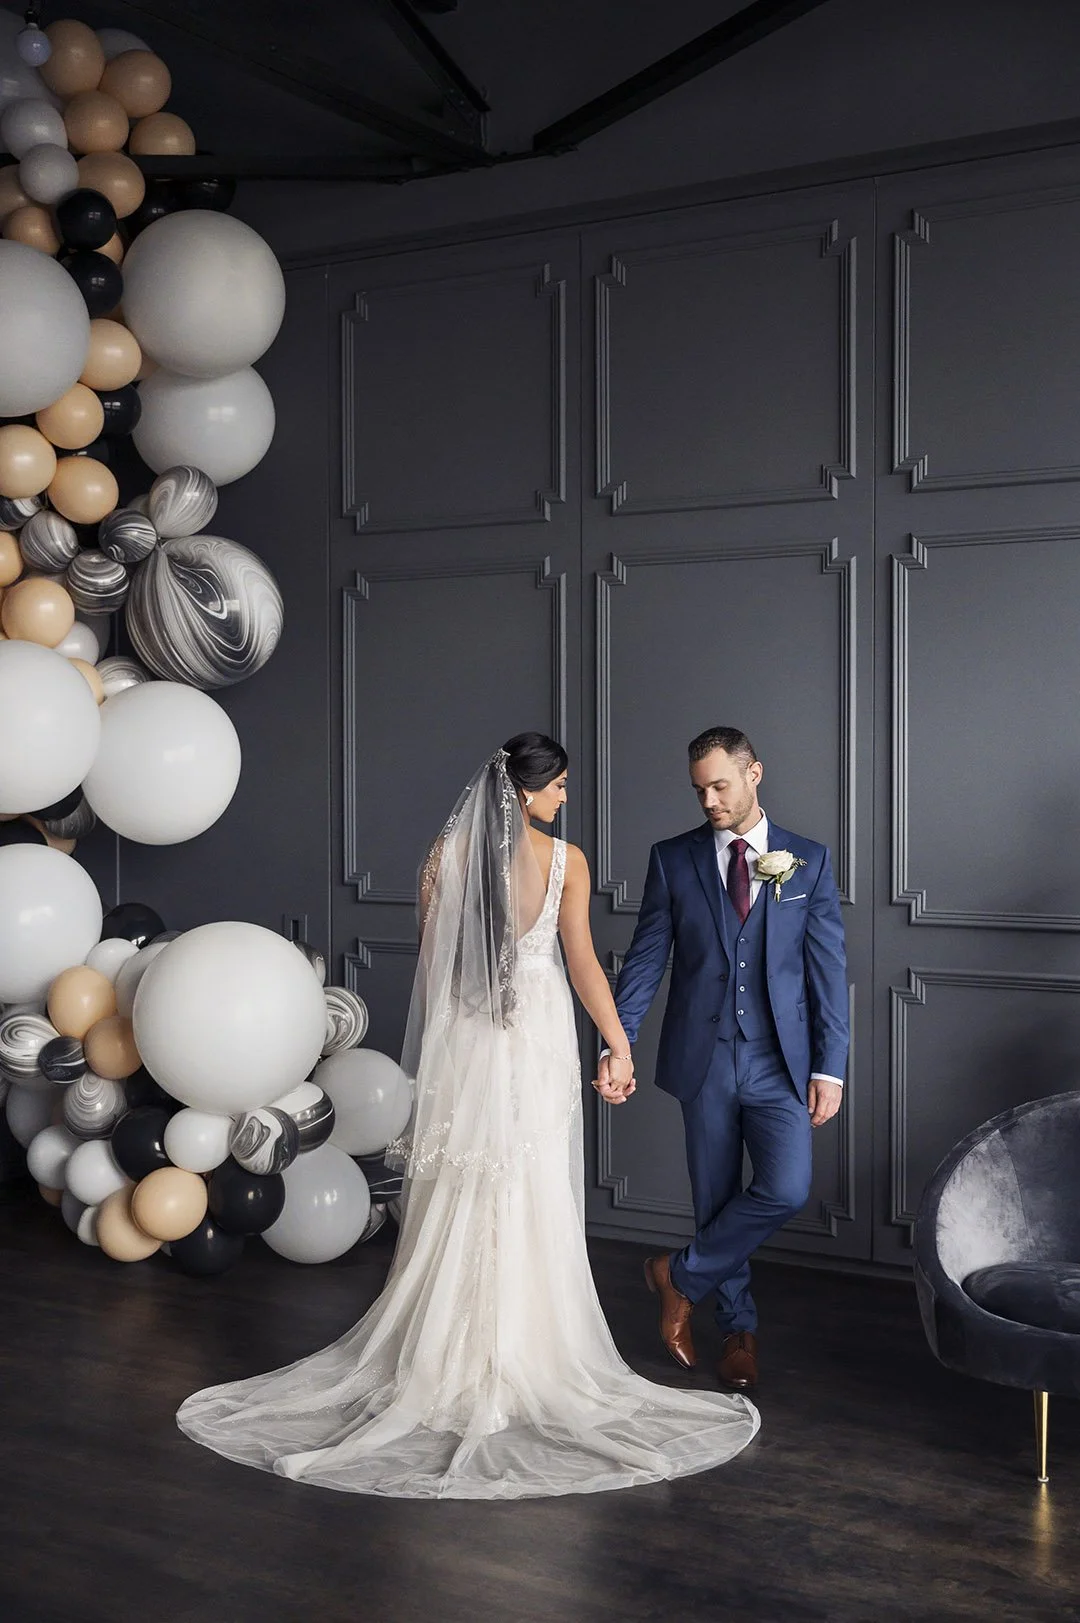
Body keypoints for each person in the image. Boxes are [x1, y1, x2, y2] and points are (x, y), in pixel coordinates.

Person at [177, 733, 759, 1498]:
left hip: (471, 1043)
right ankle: (524, 1350)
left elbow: (437, 971)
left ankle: (452, 1350)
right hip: (539, 1039)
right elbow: (581, 962)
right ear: (526, 792)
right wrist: (617, 1041)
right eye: (556, 789)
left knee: (468, 1183)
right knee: (529, 1182)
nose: (563, 799)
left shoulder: (440, 859)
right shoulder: (565, 861)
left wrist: (477, 1026)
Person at [597, 726, 848, 1392]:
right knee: (715, 1200)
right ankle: (738, 1331)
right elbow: (648, 959)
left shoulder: (808, 860)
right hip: (703, 1059)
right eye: (699, 788)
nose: (708, 800)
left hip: (780, 1063)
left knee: (786, 1186)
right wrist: (616, 1042)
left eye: (720, 785)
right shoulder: (673, 858)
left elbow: (828, 970)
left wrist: (831, 1066)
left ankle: (675, 1276)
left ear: (754, 773)